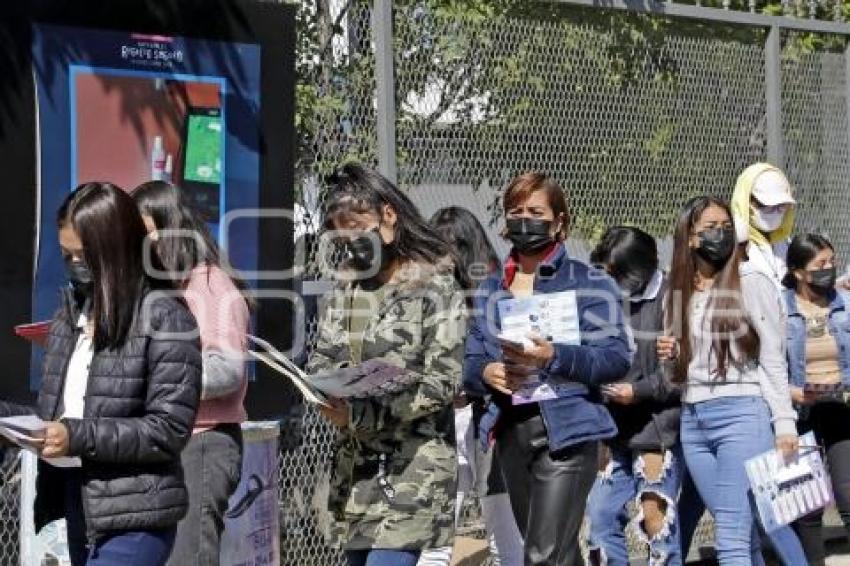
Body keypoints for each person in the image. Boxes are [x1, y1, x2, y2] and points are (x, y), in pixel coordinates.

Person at [0, 182, 201, 565]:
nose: (77, 266)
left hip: (137, 511)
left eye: (85, 255)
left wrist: (77, 436)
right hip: (81, 501)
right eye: (67, 256)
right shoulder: (69, 316)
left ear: (118, 248)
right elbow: (53, 414)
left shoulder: (166, 317)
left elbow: (168, 429)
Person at [464, 172, 631, 565]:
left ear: (558, 222)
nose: (525, 220)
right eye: (516, 212)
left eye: (536, 212)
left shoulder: (589, 282)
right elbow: (469, 362)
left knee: (542, 556)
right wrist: (486, 373)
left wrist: (554, 356)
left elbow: (615, 356)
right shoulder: (491, 288)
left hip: (567, 432)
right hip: (510, 432)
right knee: (558, 553)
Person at [306, 163, 467, 566]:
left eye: (358, 225)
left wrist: (362, 414)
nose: (351, 239)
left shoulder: (437, 286)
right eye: (341, 231)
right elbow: (323, 356)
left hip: (414, 468)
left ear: (388, 216)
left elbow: (442, 382)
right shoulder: (347, 289)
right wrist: (319, 389)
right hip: (355, 473)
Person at [657, 196, 806, 565]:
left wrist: (784, 424)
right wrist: (671, 357)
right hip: (694, 419)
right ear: (690, 237)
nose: (720, 234)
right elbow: (677, 373)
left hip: (743, 414)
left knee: (731, 539)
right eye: (710, 228)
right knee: (744, 528)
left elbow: (773, 357)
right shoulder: (677, 290)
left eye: (726, 226)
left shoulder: (751, 280)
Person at [132, 181, 251, 566]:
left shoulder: (211, 286)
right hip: (162, 442)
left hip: (202, 443)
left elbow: (226, 371)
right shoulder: (161, 288)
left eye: (148, 234)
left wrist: (154, 380)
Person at [419, 207, 523, 566]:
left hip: (487, 420)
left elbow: (498, 359)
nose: (441, 259)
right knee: (438, 529)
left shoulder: (494, 293)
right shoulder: (430, 295)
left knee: (502, 523)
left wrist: (468, 379)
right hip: (443, 420)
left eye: (449, 249)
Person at [585, 226, 689, 565]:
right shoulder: (603, 300)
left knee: (655, 519)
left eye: (618, 273)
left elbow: (679, 375)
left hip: (657, 431)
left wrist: (639, 391)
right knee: (600, 516)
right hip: (614, 428)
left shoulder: (674, 298)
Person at [781, 234, 850, 565]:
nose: (828, 269)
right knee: (806, 507)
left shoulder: (845, 304)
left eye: (831, 262)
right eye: (819, 265)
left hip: (841, 407)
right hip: (798, 411)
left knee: (848, 495)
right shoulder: (780, 308)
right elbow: (767, 365)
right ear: (797, 271)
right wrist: (789, 393)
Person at [730, 163, 796, 291]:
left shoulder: (785, 243)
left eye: (782, 205)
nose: (776, 212)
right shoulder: (735, 244)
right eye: (767, 206)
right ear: (746, 201)